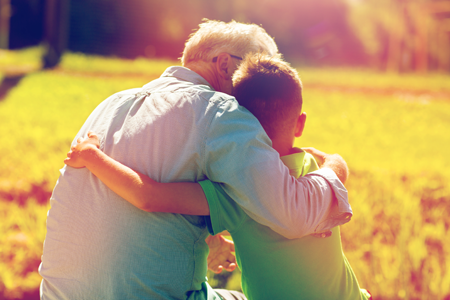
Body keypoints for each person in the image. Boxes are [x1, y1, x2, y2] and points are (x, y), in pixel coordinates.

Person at [40, 20, 352, 300]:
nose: (254, 93)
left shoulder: (110, 104)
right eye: (251, 72)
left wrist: (213, 236)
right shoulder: (222, 112)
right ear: (225, 65)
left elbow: (156, 184)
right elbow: (293, 212)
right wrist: (336, 166)